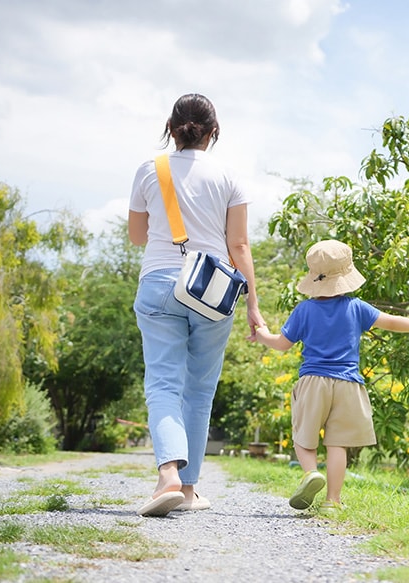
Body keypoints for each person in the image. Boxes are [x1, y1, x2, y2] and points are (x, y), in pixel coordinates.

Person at [128, 93, 264, 516]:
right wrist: (253, 306)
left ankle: (167, 474)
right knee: (200, 391)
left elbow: (136, 236)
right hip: (211, 290)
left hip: (159, 283)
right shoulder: (230, 176)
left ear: (171, 128)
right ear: (213, 131)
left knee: (164, 384)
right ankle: (186, 490)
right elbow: (238, 246)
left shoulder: (151, 169)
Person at [253, 239, 409, 511]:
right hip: (348, 383)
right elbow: (391, 322)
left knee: (303, 438)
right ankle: (332, 501)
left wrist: (262, 335)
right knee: (338, 444)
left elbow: (281, 343)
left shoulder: (305, 310)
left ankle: (311, 474)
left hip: (313, 382)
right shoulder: (356, 307)